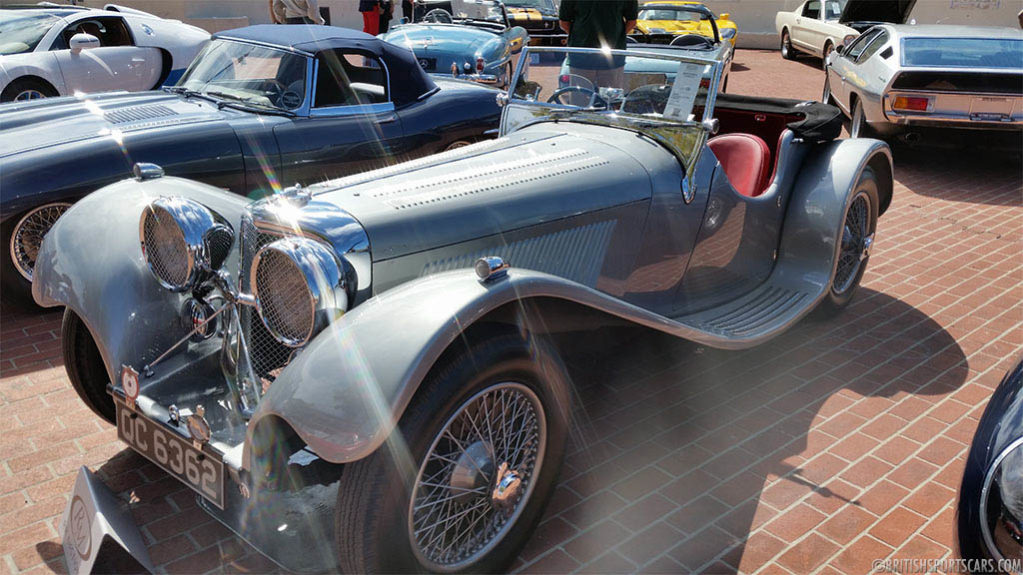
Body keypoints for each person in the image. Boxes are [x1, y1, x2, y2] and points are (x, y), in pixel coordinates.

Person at [558, 0, 638, 90]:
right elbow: (632, 22)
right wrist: (616, 37)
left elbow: (564, 23)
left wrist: (580, 37)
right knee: (609, 100)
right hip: (599, 57)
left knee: (582, 100)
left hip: (591, 56)